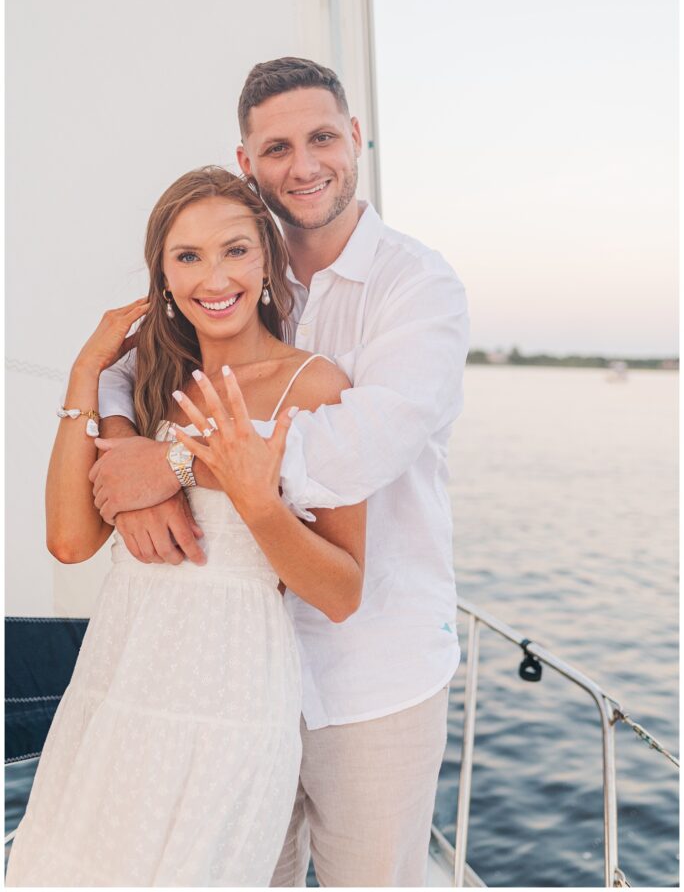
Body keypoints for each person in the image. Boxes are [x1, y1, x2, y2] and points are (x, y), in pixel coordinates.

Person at [91, 57, 470, 887]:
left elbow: (358, 447)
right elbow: (128, 369)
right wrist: (123, 449)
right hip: (235, 670)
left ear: (357, 140)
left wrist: (175, 461)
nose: (303, 166)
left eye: (322, 138)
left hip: (371, 669)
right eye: (277, 149)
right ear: (246, 163)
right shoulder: (241, 278)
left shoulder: (418, 288)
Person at [5, 168, 365, 888]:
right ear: (162, 275)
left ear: (266, 256)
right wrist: (86, 368)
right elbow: (71, 541)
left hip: (230, 699)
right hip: (119, 679)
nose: (214, 277)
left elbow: (341, 591)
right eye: (188, 257)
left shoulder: (315, 386)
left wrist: (247, 494)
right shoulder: (143, 380)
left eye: (234, 250)